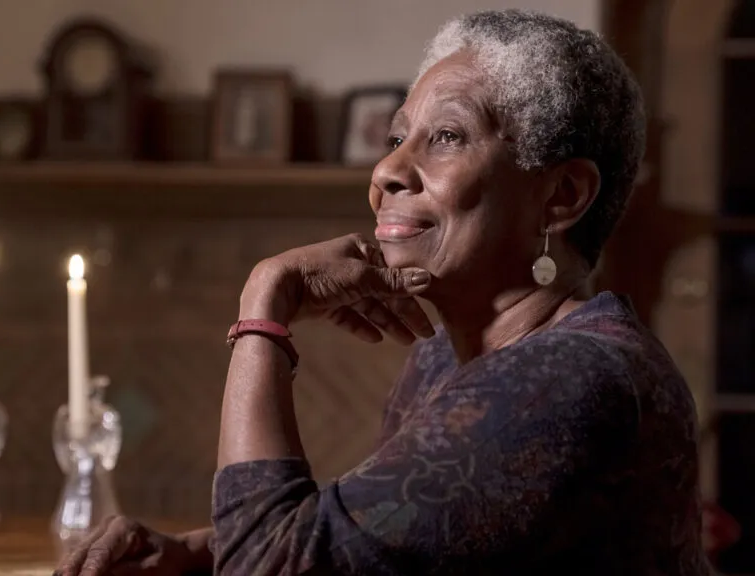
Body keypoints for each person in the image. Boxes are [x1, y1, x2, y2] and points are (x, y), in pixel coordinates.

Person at [55, 9, 711, 576]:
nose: (390, 169)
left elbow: (275, 569)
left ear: (562, 197)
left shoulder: (569, 378)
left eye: (446, 137)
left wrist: (265, 307)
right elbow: (372, 535)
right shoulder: (449, 357)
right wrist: (191, 553)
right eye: (397, 138)